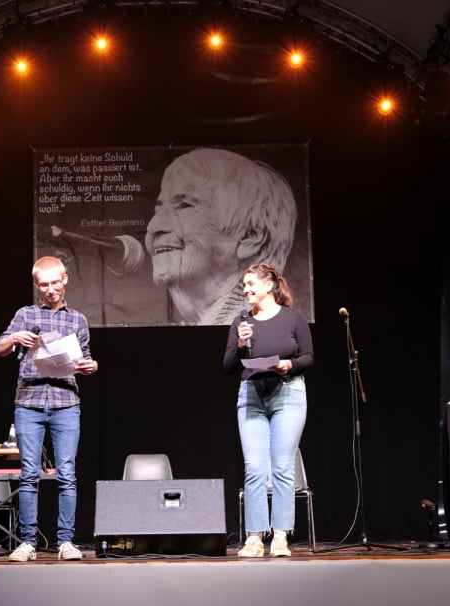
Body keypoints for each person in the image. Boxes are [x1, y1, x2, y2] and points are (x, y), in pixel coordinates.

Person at [0, 256, 99, 561]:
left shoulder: (77, 319)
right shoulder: (26, 315)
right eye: (44, 284)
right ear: (37, 285)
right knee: (29, 475)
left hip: (66, 403)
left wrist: (90, 366)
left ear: (65, 279)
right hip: (29, 402)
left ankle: (65, 541)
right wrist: (14, 337)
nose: (51, 289)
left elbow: (86, 359)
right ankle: (27, 542)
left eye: (55, 282)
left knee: (67, 474)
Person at [223, 261, 314, 557]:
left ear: (268, 286)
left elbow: (309, 356)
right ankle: (253, 537)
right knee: (254, 469)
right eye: (244, 286)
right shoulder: (241, 321)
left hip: (288, 394)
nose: (246, 290)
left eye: (250, 285)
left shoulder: (293, 317)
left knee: (283, 468)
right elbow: (228, 366)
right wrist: (239, 343)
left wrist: (288, 364)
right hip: (251, 395)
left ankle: (280, 537)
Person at [145, 148, 298, 325]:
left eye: (184, 205)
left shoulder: (262, 331)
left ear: (251, 236)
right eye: (159, 208)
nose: (153, 226)